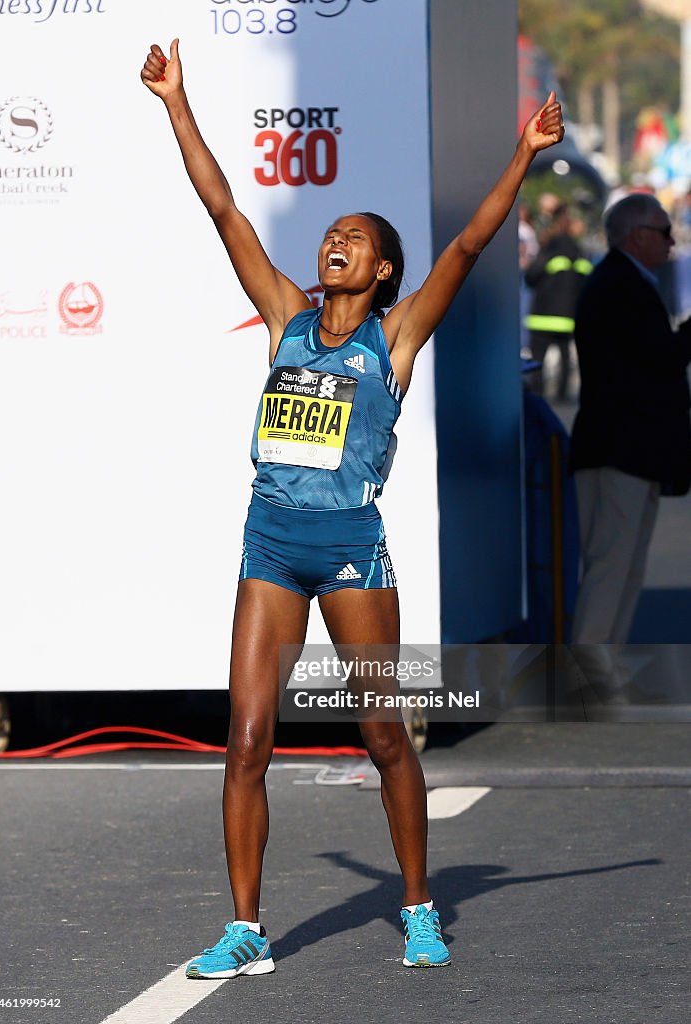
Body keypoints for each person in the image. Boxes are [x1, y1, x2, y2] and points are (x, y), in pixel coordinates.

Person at [140, 38, 563, 977]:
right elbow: (222, 210)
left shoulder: (396, 336)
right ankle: (246, 927)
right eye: (333, 232)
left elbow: (467, 245)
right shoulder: (286, 313)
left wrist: (524, 155)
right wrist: (176, 103)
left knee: (381, 734)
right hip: (270, 546)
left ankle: (418, 904)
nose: (338, 241)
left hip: (348, 555)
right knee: (247, 737)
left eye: (359, 239)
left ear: (379, 273)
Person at [570, 194, 691, 664]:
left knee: (623, 567)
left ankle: (599, 671)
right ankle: (585, 675)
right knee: (612, 567)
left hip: (627, 450)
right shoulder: (621, 284)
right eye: (663, 231)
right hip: (620, 451)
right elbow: (655, 361)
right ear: (637, 235)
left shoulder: (624, 282)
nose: (671, 240)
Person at [524, 202, 592, 399]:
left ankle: (538, 392)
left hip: (542, 317)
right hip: (569, 318)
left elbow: (531, 277)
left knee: (538, 358)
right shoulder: (581, 253)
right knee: (565, 357)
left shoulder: (549, 251)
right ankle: (563, 394)